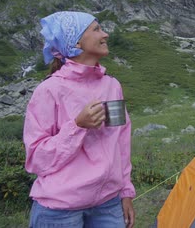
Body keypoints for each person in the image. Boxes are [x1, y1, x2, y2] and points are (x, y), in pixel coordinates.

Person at [23, 11, 135, 227]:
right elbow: (36, 159)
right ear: (75, 42)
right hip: (59, 209)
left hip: (108, 203)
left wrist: (126, 191)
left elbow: (121, 141)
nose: (106, 34)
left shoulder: (112, 86)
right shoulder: (49, 90)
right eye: (96, 29)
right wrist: (77, 126)